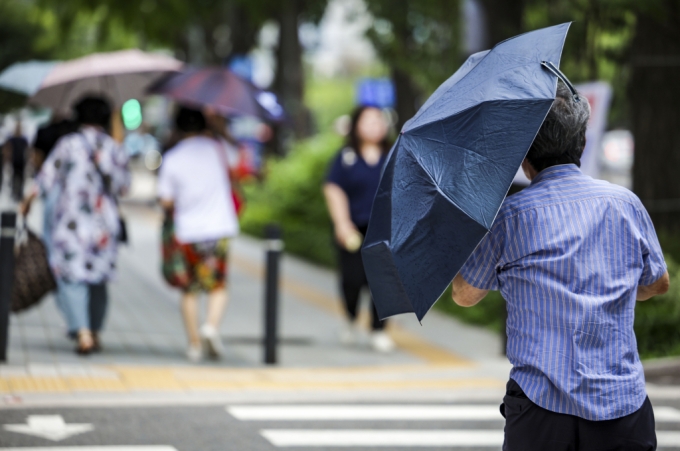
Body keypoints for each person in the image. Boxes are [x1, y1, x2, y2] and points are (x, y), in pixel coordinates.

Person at [452, 83, 669, 450]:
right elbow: (658, 283)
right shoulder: (624, 204)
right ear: (581, 144)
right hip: (621, 405)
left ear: (524, 156)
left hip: (541, 408)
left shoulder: (508, 217)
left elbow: (464, 295)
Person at [22, 96, 130, 355]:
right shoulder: (114, 148)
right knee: (98, 280)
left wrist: (26, 201)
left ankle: (82, 333)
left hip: (71, 223)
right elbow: (124, 187)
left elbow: (46, 179)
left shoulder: (68, 144)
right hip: (103, 225)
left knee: (72, 277)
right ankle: (94, 331)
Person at [157, 106, 239, 362]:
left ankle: (194, 344)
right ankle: (211, 327)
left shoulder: (172, 157)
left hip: (187, 230)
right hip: (219, 228)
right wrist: (220, 128)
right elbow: (239, 162)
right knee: (217, 285)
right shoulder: (217, 148)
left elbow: (166, 200)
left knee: (190, 290)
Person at [323, 105, 395, 353]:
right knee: (352, 280)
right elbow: (333, 189)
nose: (374, 125)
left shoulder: (395, 155)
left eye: (378, 120)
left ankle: (379, 329)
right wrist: (342, 223)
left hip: (386, 229)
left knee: (384, 282)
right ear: (356, 126)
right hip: (353, 229)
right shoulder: (345, 157)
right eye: (368, 121)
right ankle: (351, 317)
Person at [3, 121, 29, 201]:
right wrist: (7, 159)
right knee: (14, 177)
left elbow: (27, 150)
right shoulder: (12, 139)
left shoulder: (23, 139)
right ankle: (14, 192)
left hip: (22, 160)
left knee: (21, 177)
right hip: (14, 161)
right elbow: (8, 149)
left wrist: (28, 160)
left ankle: (20, 193)